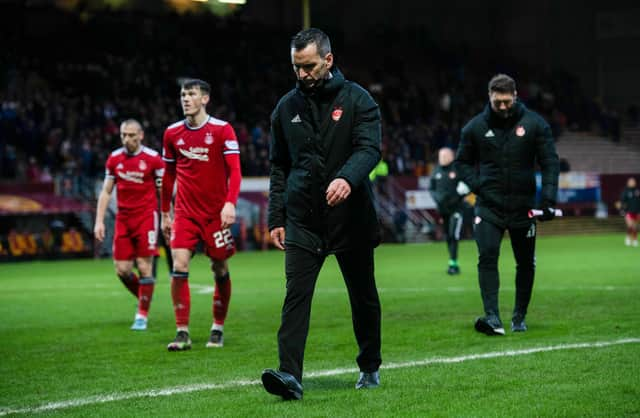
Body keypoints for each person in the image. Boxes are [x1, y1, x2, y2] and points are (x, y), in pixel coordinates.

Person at [261, 28, 382, 400]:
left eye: (309, 66)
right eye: (296, 68)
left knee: (362, 296)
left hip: (351, 219)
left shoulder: (359, 100)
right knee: (295, 295)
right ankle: (289, 376)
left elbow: (370, 149)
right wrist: (276, 217)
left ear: (328, 60)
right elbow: (279, 166)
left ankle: (369, 366)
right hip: (302, 218)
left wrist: (347, 178)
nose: (302, 74)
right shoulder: (285, 108)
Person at [455, 74, 559, 335]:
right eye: (497, 101)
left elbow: (550, 163)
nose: (502, 106)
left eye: (506, 101)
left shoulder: (535, 125)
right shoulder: (474, 128)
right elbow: (461, 163)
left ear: (515, 96)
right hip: (489, 207)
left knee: (525, 262)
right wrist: (479, 186)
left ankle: (519, 317)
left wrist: (547, 199)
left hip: (524, 208)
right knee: (487, 256)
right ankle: (492, 317)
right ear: (489, 97)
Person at [161, 79, 242, 351]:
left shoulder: (222, 130)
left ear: (205, 98)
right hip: (185, 213)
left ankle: (217, 327)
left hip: (215, 215)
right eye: (183, 94)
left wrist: (230, 203)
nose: (185, 99)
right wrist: (165, 213)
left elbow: (236, 171)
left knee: (219, 266)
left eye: (191, 94)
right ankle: (182, 331)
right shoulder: (172, 134)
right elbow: (168, 175)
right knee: (179, 264)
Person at [94, 119, 165, 331]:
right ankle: (145, 297)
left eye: (132, 135)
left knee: (144, 266)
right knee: (122, 269)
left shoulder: (153, 159)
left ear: (141, 135)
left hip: (146, 218)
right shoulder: (115, 158)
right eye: (124, 135)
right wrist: (99, 221)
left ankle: (141, 315)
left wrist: (169, 216)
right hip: (123, 219)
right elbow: (106, 191)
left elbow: (163, 191)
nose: (127, 139)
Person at [429, 147, 468, 275]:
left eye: (445, 155)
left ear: (451, 156)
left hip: (456, 209)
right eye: (441, 156)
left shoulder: (457, 169)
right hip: (443, 210)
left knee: (453, 235)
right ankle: (452, 261)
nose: (442, 158)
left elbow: (467, 185)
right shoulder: (436, 171)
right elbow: (431, 188)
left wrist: (458, 196)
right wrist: (437, 198)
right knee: (448, 236)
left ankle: (453, 263)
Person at [619, 177, 640, 247]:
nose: (632, 183)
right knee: (630, 226)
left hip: (637, 212)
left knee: (635, 227)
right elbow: (622, 201)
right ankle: (628, 238)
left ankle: (635, 240)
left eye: (633, 181)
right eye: (631, 182)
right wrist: (622, 210)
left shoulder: (637, 191)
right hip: (629, 212)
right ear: (628, 183)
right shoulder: (625, 191)